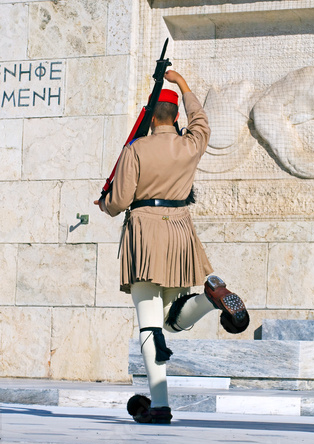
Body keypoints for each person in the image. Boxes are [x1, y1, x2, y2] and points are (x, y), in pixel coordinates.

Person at [95, 70, 249, 424]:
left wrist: (103, 204)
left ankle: (161, 405)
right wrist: (183, 84)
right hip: (180, 233)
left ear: (150, 120)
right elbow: (203, 122)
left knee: (150, 324)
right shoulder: (190, 143)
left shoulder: (136, 150)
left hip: (145, 234)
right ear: (176, 117)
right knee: (169, 319)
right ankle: (208, 300)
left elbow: (118, 202)